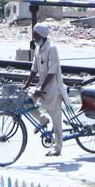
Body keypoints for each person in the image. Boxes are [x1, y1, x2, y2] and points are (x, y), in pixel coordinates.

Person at [23, 24, 70, 156]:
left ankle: (58, 147)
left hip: (53, 88)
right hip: (42, 86)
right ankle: (42, 120)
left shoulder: (51, 48)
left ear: (41, 35)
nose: (33, 37)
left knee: (56, 118)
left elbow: (52, 71)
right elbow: (34, 69)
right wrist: (27, 85)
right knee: (27, 101)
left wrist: (41, 88)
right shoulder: (39, 48)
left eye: (35, 34)